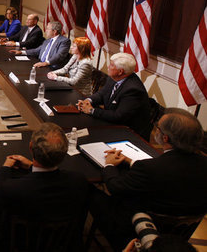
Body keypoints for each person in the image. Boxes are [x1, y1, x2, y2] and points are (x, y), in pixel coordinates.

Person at [89, 108, 207, 251]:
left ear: (165, 138)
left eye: (158, 127)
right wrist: (130, 162)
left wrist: (109, 165)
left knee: (89, 191)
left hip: (136, 228)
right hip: (179, 236)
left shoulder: (149, 168)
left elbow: (115, 187)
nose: (156, 129)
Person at [0, 122, 88, 251]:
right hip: (60, 244)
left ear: (31, 147)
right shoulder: (79, 181)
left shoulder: (11, 189)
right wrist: (31, 166)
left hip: (17, 244)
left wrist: (6, 167)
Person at [77, 52, 152, 139]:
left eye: (112, 65)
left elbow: (118, 116)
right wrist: (89, 101)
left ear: (120, 71)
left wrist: (91, 110)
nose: (108, 67)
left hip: (128, 133)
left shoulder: (133, 90)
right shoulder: (114, 78)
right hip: (110, 124)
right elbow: (102, 94)